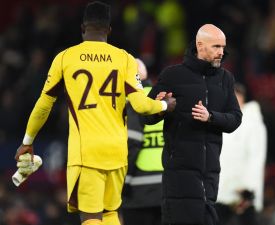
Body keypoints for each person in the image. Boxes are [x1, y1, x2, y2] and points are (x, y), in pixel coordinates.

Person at [13, 2, 176, 225]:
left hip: (86, 153)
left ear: (82, 28)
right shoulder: (125, 59)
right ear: (109, 30)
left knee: (90, 216)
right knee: (110, 213)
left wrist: (28, 141)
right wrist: (166, 106)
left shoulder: (65, 58)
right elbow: (141, 105)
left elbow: (44, 104)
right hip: (117, 153)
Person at [144, 24, 242, 225]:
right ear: (200, 45)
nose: (221, 52)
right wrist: (161, 107)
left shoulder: (225, 79)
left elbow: (235, 118)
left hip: (209, 176)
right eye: (216, 46)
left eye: (223, 47)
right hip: (179, 176)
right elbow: (147, 117)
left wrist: (211, 117)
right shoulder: (172, 75)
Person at [216, 83, 267, 225]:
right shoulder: (224, 121)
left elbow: (256, 157)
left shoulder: (253, 123)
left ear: (242, 98)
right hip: (222, 190)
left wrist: (248, 188)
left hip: (242, 191)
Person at [121, 58, 163, 225]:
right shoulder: (162, 99)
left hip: (138, 190)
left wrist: (123, 182)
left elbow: (132, 142)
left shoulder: (133, 101)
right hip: (166, 187)